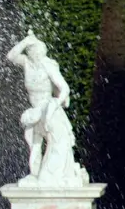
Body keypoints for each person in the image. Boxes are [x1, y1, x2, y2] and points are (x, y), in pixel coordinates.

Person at [5, 30, 82, 185]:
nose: (38, 55)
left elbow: (65, 88)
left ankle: (50, 176)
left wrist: (55, 104)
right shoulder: (26, 63)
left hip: (48, 109)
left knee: (56, 142)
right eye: (34, 51)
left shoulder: (47, 65)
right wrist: (26, 41)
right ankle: (35, 174)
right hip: (35, 111)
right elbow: (10, 56)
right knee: (34, 144)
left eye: (39, 52)